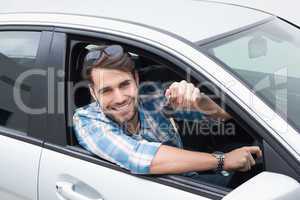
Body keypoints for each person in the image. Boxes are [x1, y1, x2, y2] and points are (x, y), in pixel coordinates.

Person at [73, 45, 262, 187]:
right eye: (106, 90)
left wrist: (198, 100)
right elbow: (139, 157)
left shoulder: (152, 98)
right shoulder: (86, 120)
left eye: (124, 85)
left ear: (136, 80)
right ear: (93, 92)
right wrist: (222, 161)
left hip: (190, 181)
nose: (120, 98)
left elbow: (222, 116)